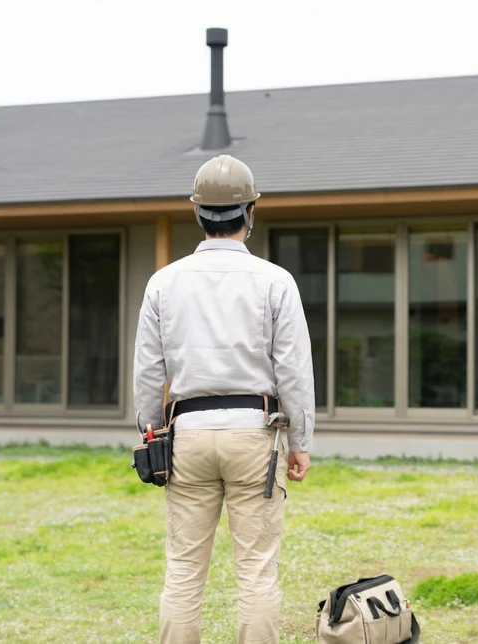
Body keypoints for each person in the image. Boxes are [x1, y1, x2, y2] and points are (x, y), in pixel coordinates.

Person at [133, 154, 315, 644]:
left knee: (183, 569)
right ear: (250, 211)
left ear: (197, 212)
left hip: (187, 436)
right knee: (256, 571)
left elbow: (148, 370)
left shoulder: (163, 282)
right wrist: (301, 441)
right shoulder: (276, 281)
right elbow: (294, 371)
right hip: (256, 435)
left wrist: (150, 433)